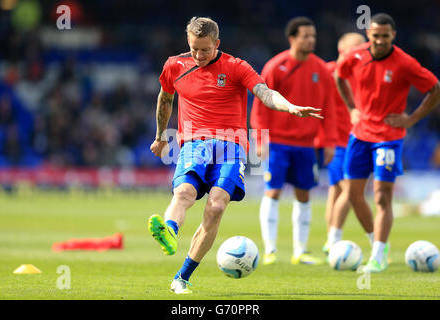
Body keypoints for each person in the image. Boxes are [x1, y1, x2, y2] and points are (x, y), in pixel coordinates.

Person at [148, 17, 322, 294]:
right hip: (194, 142)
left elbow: (264, 93)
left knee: (216, 207)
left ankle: (182, 277)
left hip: (231, 146)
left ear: (217, 43)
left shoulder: (236, 67)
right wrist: (159, 137)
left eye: (205, 49)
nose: (198, 55)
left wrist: (289, 107)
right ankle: (169, 230)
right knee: (184, 193)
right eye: (193, 49)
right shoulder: (174, 65)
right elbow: (165, 99)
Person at [334, 13, 440, 272]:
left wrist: (412, 118)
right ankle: (376, 243)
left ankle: (378, 255)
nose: (379, 41)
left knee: (382, 197)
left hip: (388, 139)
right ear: (369, 35)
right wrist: (351, 108)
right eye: (375, 36)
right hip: (359, 135)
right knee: (354, 194)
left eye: (384, 36)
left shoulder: (405, 63)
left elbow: (435, 88)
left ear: (393, 36)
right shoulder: (356, 55)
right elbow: (339, 74)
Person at [250, 17, 337, 266]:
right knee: (273, 191)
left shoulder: (320, 69)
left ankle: (300, 251)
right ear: (292, 38)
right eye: (306, 36)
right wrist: (260, 137)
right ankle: (270, 250)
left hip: (306, 144)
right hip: (277, 142)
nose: (311, 40)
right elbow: (261, 104)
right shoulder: (276, 66)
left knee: (304, 194)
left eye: (313, 36)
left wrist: (328, 141)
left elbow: (328, 108)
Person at [317, 32, 373, 255]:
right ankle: (333, 238)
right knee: (350, 190)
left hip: (357, 139)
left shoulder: (362, 72)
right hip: (337, 142)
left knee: (336, 190)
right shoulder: (328, 72)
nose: (362, 51)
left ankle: (330, 239)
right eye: (357, 47)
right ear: (342, 50)